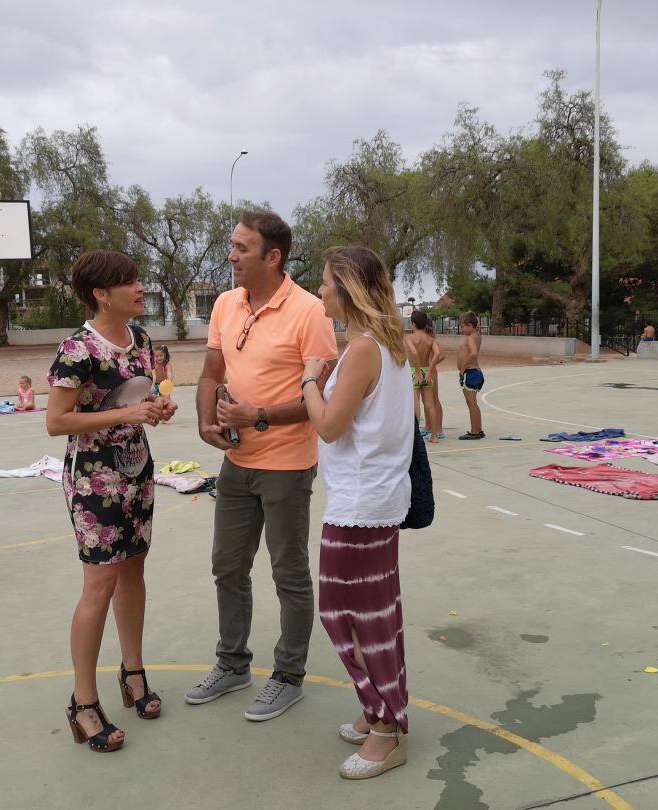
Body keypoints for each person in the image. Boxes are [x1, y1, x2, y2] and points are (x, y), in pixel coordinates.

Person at [189, 210, 338, 721]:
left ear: (272, 258)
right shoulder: (226, 305)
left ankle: (289, 675)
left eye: (241, 248)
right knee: (227, 566)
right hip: (237, 462)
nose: (231, 256)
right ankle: (232, 665)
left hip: (288, 465)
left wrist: (260, 416)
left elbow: (324, 396)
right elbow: (211, 372)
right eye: (232, 245)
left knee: (288, 573)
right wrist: (208, 421)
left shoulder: (310, 311)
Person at [46, 250, 176, 753]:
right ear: (101, 293)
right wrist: (127, 415)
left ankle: (134, 672)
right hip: (94, 479)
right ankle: (82, 702)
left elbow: (136, 399)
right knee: (98, 584)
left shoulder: (140, 339)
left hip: (137, 470)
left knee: (134, 573)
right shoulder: (77, 349)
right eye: (130, 282)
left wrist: (156, 409)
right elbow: (57, 421)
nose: (140, 288)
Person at [301, 245, 412, 779]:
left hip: (359, 504)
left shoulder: (364, 349)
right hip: (376, 499)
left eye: (324, 282)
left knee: (352, 618)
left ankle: (388, 730)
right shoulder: (389, 345)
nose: (319, 290)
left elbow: (327, 425)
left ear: (346, 289)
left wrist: (309, 379)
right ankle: (378, 713)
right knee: (372, 615)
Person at [404, 311, 444, 442]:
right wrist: (428, 371)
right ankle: (434, 435)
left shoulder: (409, 338)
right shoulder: (430, 339)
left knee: (415, 404)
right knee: (429, 404)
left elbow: (414, 352)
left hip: (414, 372)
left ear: (413, 324)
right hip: (427, 372)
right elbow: (438, 354)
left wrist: (416, 371)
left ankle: (415, 435)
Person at [457, 312, 485, 439]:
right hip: (474, 372)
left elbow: (473, 353)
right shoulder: (476, 335)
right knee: (472, 403)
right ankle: (478, 429)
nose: (461, 329)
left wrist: (463, 367)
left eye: (462, 326)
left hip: (471, 372)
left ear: (469, 325)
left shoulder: (471, 337)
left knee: (471, 402)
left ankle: (475, 432)